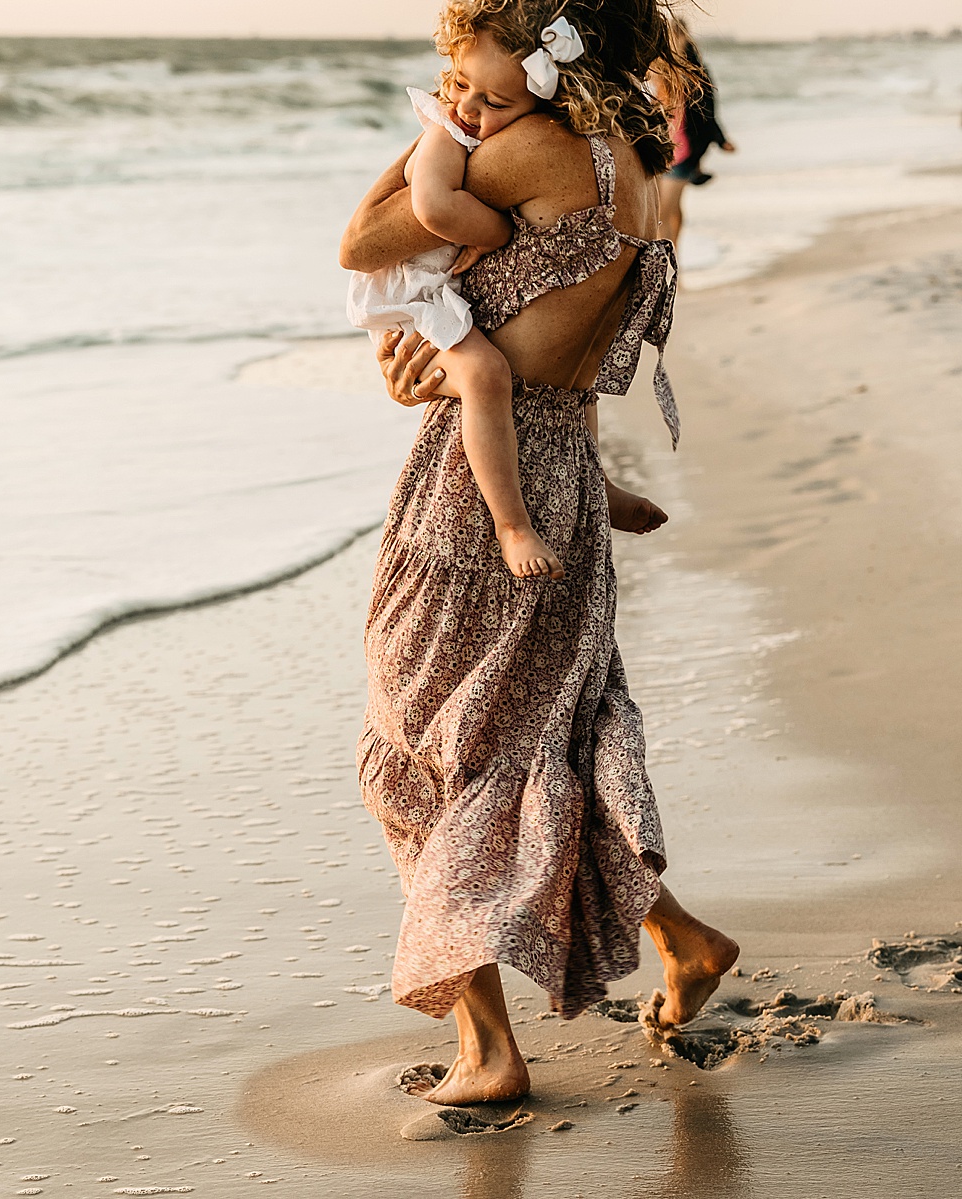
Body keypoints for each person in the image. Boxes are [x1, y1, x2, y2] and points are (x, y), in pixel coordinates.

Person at [337, 0, 740, 1107]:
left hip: (476, 490)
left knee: (426, 752)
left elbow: (363, 243)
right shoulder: (650, 181)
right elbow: (577, 347)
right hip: (558, 472)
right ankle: (688, 938)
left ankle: (490, 1051)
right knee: (534, 746)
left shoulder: (522, 148)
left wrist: (443, 130)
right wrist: (592, 486)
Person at [347, 86, 563, 580]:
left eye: (495, 102)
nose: (468, 107)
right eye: (460, 85)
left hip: (439, 290)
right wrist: (498, 233)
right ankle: (512, 525)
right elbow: (434, 211)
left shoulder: (510, 141)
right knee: (486, 374)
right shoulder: (447, 135)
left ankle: (601, 483)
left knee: (565, 373)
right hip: (412, 299)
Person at [654, 19, 736, 244]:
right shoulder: (656, 68)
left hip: (683, 152)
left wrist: (721, 139)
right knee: (670, 208)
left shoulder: (695, 68)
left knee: (660, 214)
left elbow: (708, 108)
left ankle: (669, 265)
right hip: (660, 150)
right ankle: (675, 257)